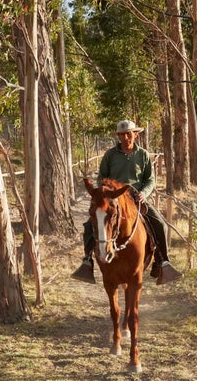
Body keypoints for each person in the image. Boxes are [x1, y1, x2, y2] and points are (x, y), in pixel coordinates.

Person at [71, 119, 181, 285]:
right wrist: (107, 193)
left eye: (128, 134)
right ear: (118, 136)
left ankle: (162, 262)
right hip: (114, 199)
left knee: (160, 224)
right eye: (121, 134)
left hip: (136, 198)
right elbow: (102, 177)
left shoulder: (143, 155)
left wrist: (144, 193)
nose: (125, 137)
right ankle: (87, 261)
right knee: (89, 225)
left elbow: (150, 179)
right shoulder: (110, 155)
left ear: (135, 134)